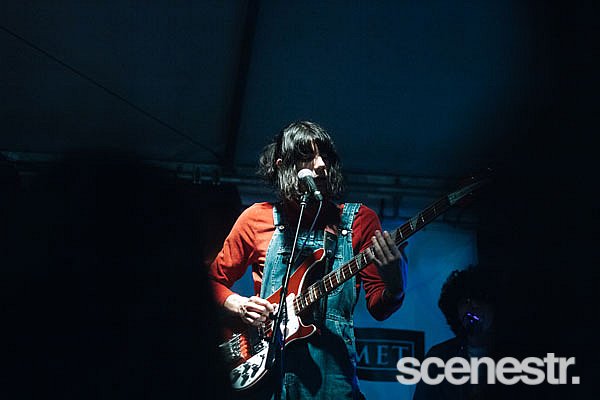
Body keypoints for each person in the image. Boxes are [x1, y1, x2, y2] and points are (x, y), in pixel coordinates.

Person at [208, 120, 408, 399]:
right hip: (268, 372)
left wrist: (396, 283)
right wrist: (239, 305)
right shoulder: (256, 219)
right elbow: (211, 282)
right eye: (308, 156)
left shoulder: (359, 220)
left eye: (325, 156)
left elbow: (379, 308)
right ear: (283, 166)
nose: (321, 165)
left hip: (332, 378)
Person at [413, 265, 499, 400]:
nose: (473, 306)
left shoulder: (516, 354)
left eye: (481, 300)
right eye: (466, 301)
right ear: (456, 310)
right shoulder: (438, 358)